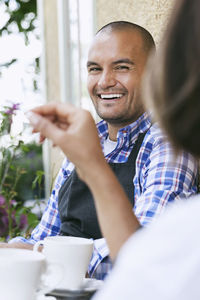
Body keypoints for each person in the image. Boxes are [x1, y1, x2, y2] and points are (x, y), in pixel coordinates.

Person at [27, 0, 200, 298]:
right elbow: (42, 237)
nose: (105, 81)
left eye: (122, 67)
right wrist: (21, 250)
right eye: (95, 69)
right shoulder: (84, 138)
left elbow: (146, 254)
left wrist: (45, 256)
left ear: (154, 73)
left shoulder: (167, 143)